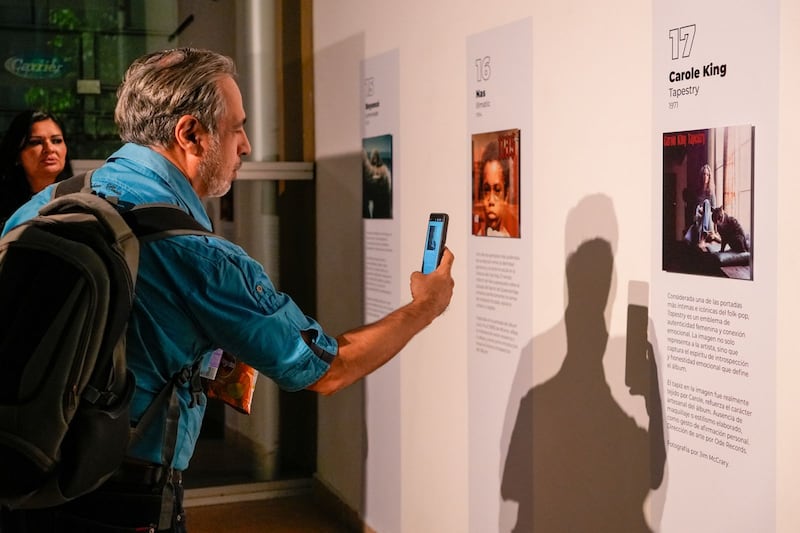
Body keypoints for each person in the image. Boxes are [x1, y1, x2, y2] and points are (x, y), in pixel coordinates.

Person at [0, 48, 454, 532]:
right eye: (236, 127)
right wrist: (424, 306)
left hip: (24, 478)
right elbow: (329, 369)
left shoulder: (45, 205)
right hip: (121, 501)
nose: (247, 145)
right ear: (191, 134)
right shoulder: (201, 258)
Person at [0, 110, 72, 230]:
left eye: (56, 141)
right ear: (17, 155)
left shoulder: (79, 200)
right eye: (36, 142)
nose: (49, 149)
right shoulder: (5, 208)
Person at [473, 140, 518, 237]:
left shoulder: (511, 237)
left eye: (497, 190)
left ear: (506, 195)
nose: (491, 201)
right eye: (486, 190)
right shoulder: (478, 236)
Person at [683, 163, 717, 250]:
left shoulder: (711, 193)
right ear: (701, 176)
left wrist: (706, 210)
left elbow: (714, 211)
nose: (705, 176)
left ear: (709, 177)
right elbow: (694, 209)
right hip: (699, 219)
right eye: (703, 174)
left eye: (707, 174)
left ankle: (703, 237)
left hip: (708, 221)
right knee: (686, 239)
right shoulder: (697, 192)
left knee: (706, 202)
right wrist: (700, 211)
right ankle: (702, 234)